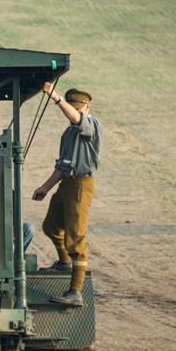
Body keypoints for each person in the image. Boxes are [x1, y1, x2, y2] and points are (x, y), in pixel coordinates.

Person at [31, 82, 103, 306]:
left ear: (87, 107)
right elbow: (63, 166)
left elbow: (76, 118)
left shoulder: (90, 125)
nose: (73, 111)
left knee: (76, 238)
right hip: (66, 184)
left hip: (81, 185)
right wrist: (45, 187)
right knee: (51, 226)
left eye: (77, 107)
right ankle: (64, 263)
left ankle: (75, 292)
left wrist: (54, 96)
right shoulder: (69, 133)